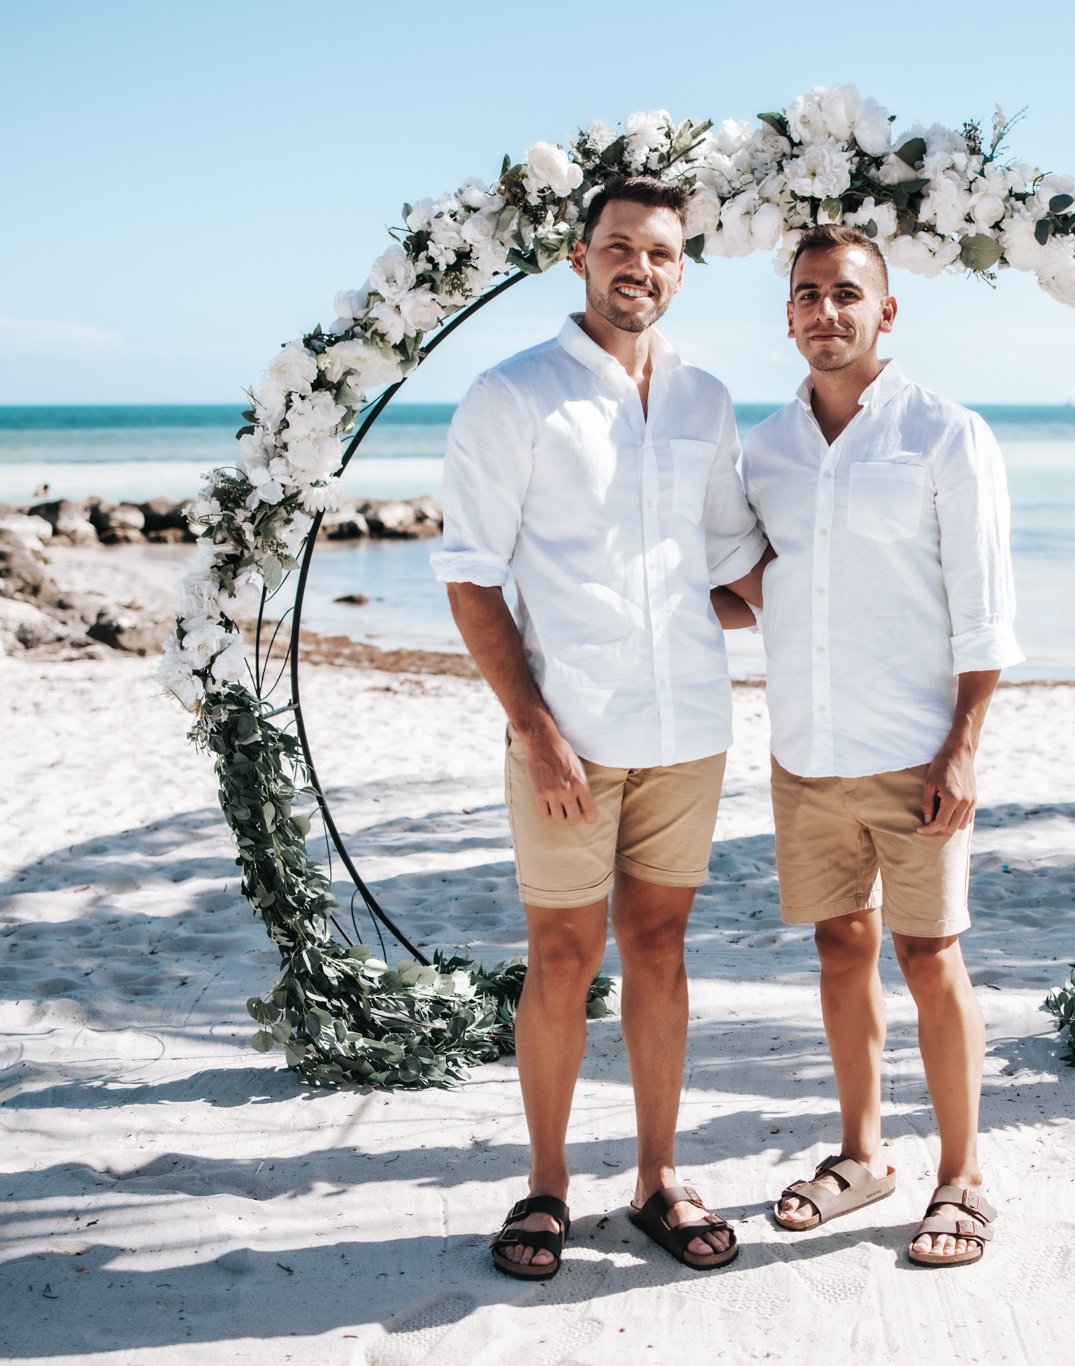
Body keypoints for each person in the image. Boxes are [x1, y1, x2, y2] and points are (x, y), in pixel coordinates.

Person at [432, 175, 769, 1280]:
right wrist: (531, 729)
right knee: (562, 956)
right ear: (579, 257)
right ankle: (544, 1184)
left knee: (661, 948)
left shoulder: (706, 400)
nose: (640, 267)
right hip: (565, 734)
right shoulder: (510, 395)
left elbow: (728, 569)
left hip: (689, 728)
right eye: (619, 246)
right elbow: (472, 580)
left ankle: (657, 1178)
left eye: (661, 253)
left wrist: (865, 606)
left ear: (679, 271)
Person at [730, 222, 1020, 1267]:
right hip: (803, 751)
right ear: (789, 314)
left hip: (914, 747)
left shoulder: (945, 435)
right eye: (806, 294)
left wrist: (961, 748)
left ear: (884, 310)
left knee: (929, 955)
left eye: (845, 294)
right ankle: (861, 1154)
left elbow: (984, 612)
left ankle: (962, 1173)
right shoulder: (762, 446)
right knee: (839, 946)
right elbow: (737, 577)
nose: (825, 311)